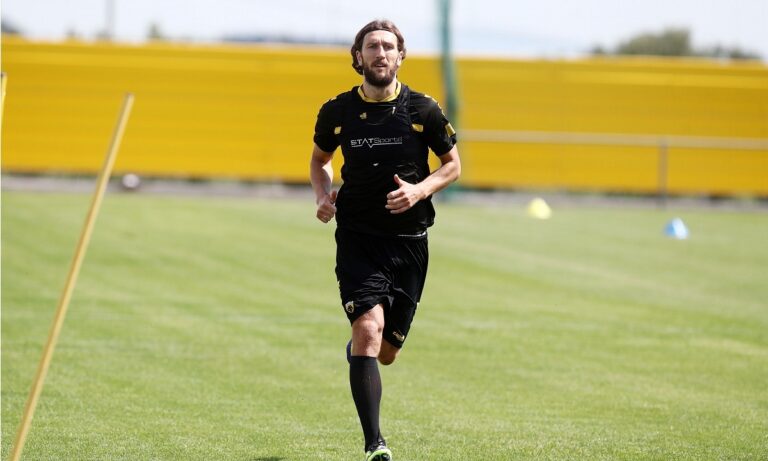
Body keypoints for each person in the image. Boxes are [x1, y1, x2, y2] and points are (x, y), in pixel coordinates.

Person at [309, 19, 461, 461]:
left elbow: (453, 165)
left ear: (400, 56)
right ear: (358, 57)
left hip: (410, 242)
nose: (380, 53)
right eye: (372, 46)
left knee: (386, 352)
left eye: (388, 46)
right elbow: (319, 160)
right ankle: (375, 443)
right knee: (367, 329)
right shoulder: (337, 111)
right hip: (358, 237)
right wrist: (322, 195)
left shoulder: (423, 110)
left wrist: (419, 191)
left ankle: (363, 352)